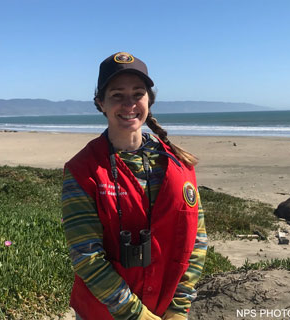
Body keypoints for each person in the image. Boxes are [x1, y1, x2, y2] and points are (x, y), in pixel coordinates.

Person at [62, 52, 207, 320]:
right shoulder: (83, 171)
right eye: (117, 95)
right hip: (103, 314)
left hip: (166, 309)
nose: (129, 104)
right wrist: (136, 315)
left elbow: (196, 241)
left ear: (149, 101)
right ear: (100, 103)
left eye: (137, 94)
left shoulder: (179, 164)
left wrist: (178, 307)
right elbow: (87, 256)